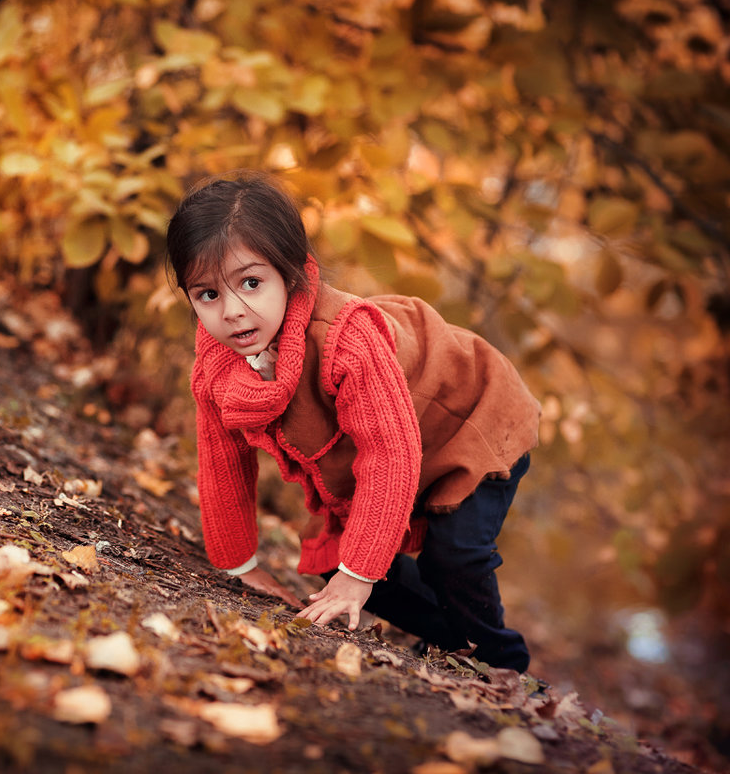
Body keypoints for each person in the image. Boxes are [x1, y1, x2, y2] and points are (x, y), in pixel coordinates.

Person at [165, 172, 541, 672]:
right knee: (331, 568)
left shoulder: (347, 338)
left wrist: (359, 572)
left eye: (251, 283)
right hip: (402, 438)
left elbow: (390, 453)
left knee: (453, 556)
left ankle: (502, 660)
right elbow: (223, 464)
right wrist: (241, 567)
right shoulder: (217, 365)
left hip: (471, 419)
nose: (232, 312)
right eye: (207, 295)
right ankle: (456, 638)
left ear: (292, 273)